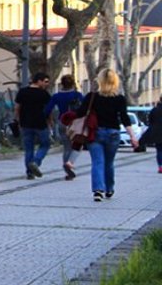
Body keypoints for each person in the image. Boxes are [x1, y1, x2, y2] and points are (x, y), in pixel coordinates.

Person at [76, 69, 139, 202]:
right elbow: (124, 118)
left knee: (97, 162)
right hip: (113, 133)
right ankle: (109, 189)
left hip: (95, 133)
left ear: (99, 81)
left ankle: (98, 190)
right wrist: (132, 136)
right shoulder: (119, 99)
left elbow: (80, 112)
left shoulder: (91, 97)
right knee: (109, 163)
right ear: (115, 81)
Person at [44, 74, 83, 180]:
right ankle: (70, 163)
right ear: (73, 84)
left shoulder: (56, 96)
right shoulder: (77, 95)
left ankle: (67, 169)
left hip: (63, 122)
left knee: (67, 147)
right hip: (76, 123)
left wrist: (48, 119)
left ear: (62, 84)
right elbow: (85, 107)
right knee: (77, 146)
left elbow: (47, 109)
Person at [15, 72, 52, 179]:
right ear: (38, 81)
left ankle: (29, 172)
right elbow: (48, 110)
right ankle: (36, 162)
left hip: (25, 123)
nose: (46, 84)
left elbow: (17, 107)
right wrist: (50, 122)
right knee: (45, 144)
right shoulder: (44, 94)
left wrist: (17, 119)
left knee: (29, 148)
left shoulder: (22, 92)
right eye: (45, 81)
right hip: (40, 123)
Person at [138, 94, 162, 173]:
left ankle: (160, 166)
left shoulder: (154, 110)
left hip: (157, 134)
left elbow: (151, 122)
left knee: (159, 150)